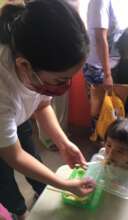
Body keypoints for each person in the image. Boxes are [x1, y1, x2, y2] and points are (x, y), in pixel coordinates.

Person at [0, 1, 96, 220]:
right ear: (24, 65)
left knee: (32, 156)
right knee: (3, 176)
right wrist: (64, 184)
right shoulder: (2, 87)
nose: (64, 86)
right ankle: (19, 211)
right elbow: (14, 156)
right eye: (60, 80)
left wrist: (63, 144)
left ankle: (41, 195)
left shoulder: (37, 63)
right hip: (4, 115)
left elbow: (42, 105)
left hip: (15, 116)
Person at [83, 0, 123, 133]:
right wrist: (107, 75)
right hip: (98, 67)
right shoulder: (100, 2)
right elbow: (100, 39)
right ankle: (101, 142)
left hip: (106, 66)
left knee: (108, 108)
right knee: (101, 109)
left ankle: (104, 140)